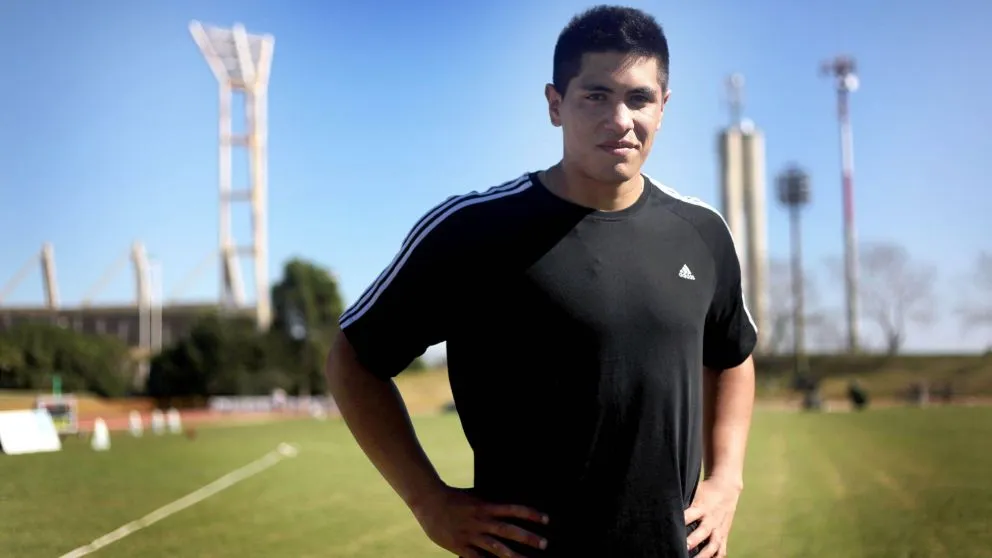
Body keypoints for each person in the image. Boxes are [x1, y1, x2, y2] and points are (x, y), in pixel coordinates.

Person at [325, 5, 757, 558]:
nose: (620, 119)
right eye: (596, 96)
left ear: (663, 107)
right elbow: (353, 359)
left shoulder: (701, 232)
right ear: (555, 105)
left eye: (639, 98)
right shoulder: (474, 231)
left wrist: (727, 480)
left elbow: (732, 354)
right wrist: (428, 501)